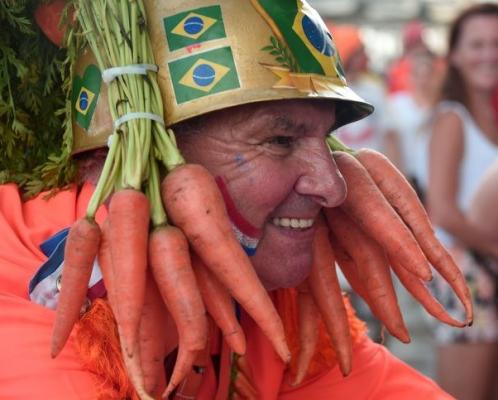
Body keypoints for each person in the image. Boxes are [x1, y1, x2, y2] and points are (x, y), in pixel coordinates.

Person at [0, 1, 461, 399]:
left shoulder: (272, 285)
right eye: (280, 139)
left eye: (327, 137)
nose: (333, 186)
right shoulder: (38, 317)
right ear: (131, 157)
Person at [426, 4, 498, 400]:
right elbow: (444, 210)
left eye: (497, 43)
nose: (490, 54)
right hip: (466, 273)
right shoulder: (452, 118)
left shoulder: (489, 114)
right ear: (454, 55)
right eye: (478, 44)